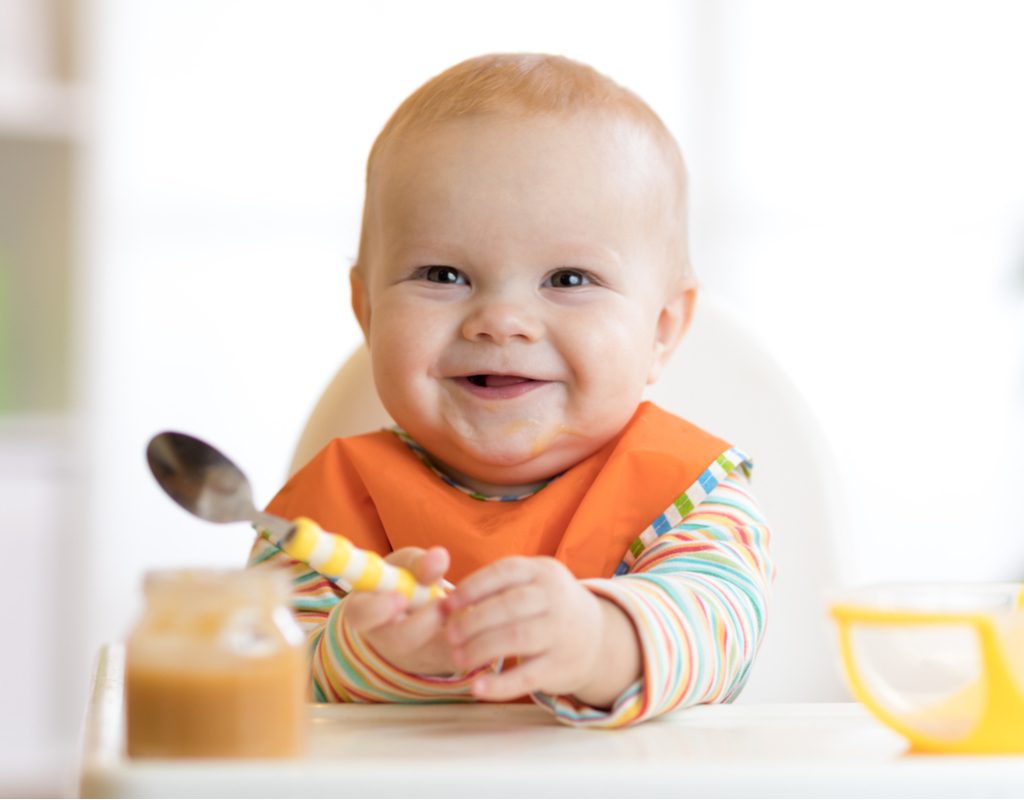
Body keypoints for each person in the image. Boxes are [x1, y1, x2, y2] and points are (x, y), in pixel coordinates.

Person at [249, 53, 773, 728]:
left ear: (662, 331)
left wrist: (597, 640)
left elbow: (720, 626)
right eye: (442, 274)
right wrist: (364, 654)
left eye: (570, 280)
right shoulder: (324, 512)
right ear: (368, 312)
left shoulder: (690, 492)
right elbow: (259, 679)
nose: (501, 321)